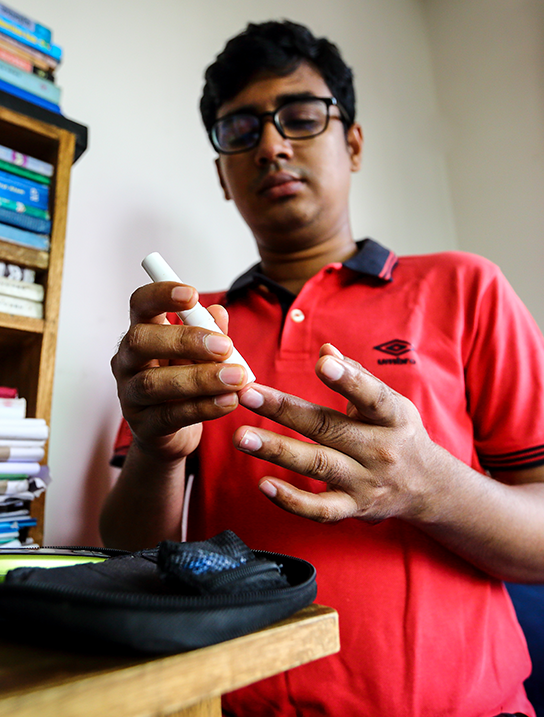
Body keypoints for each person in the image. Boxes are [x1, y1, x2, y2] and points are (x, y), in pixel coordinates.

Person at [100, 19, 544, 717]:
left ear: (354, 143)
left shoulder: (466, 288)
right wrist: (157, 451)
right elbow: (126, 556)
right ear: (223, 174)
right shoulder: (189, 333)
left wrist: (430, 487)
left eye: (301, 118)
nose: (272, 144)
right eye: (241, 130)